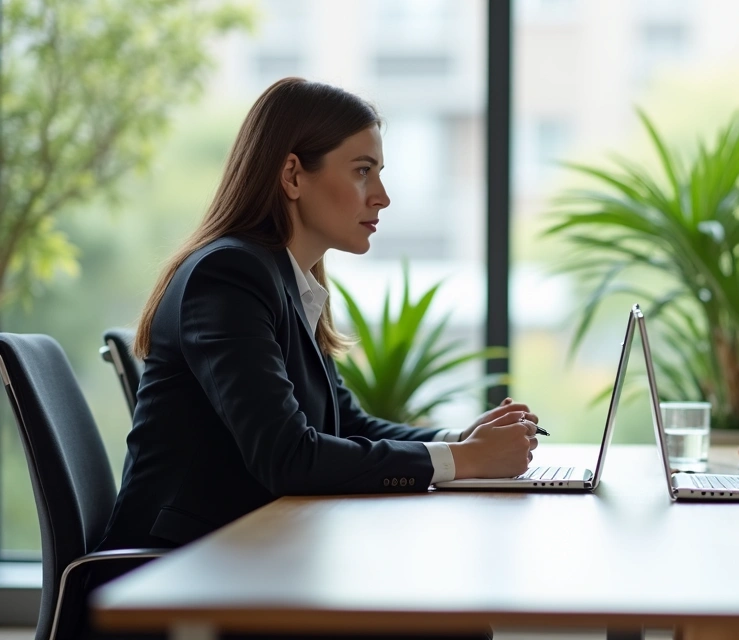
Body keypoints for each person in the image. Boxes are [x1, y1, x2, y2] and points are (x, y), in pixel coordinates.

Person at [97, 77, 538, 562]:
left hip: (247, 554)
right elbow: (288, 457)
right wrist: (465, 461)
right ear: (292, 176)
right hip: (177, 574)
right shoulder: (227, 276)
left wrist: (461, 440)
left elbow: (345, 422)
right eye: (363, 171)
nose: (382, 196)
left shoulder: (287, 281)